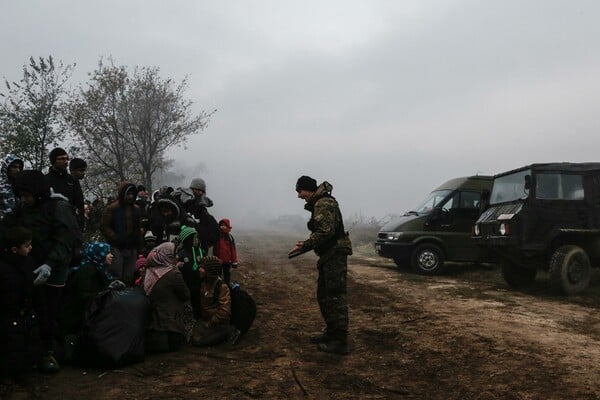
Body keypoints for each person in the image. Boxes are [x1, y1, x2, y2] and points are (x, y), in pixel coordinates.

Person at [4, 170, 80, 372]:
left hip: (53, 269)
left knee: (51, 310)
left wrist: (50, 264)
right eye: (21, 196)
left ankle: (51, 352)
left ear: (37, 192)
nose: (24, 199)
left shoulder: (58, 207)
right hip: (30, 267)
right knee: (35, 311)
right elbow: (7, 227)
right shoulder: (23, 208)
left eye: (27, 195)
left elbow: (66, 240)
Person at [288, 175, 352, 355]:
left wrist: (306, 244)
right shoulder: (319, 203)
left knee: (334, 296)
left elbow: (325, 232)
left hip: (335, 254)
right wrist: (306, 244)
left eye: (299, 191)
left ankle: (340, 341)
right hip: (329, 254)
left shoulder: (323, 203)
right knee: (324, 295)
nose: (299, 195)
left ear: (308, 189)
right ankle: (331, 333)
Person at [0, 226, 41, 382]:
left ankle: (26, 368)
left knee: (27, 342)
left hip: (26, 312)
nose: (31, 248)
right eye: (27, 245)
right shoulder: (4, 268)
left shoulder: (28, 261)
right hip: (10, 316)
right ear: (14, 249)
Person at [142, 242, 192, 353]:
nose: (177, 257)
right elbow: (185, 294)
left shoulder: (147, 272)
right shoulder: (173, 274)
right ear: (168, 257)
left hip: (150, 324)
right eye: (174, 255)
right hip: (170, 327)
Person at [99, 182, 143, 285]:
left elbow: (138, 228)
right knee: (116, 275)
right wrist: (115, 237)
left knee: (129, 276)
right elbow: (104, 226)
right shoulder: (112, 208)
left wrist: (140, 247)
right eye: (128, 194)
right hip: (116, 247)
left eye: (132, 194)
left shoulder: (136, 210)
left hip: (131, 247)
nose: (130, 196)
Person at [191, 256, 240, 347]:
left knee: (199, 342)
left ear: (209, 270)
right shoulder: (203, 283)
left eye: (202, 268)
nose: (199, 269)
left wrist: (210, 323)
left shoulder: (221, 287)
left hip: (217, 323)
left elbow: (224, 312)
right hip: (205, 319)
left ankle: (229, 331)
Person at [46, 148, 84, 229]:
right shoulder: (45, 180)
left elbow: (79, 203)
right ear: (54, 160)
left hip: (70, 224)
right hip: (50, 225)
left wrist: (80, 225)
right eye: (62, 159)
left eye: (67, 158)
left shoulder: (73, 181)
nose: (66, 161)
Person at [182, 178, 220, 254]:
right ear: (192, 189)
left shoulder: (201, 207)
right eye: (198, 190)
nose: (200, 193)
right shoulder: (184, 202)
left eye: (202, 191)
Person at [176, 225, 204, 318]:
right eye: (194, 239)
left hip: (199, 282)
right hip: (186, 282)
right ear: (188, 240)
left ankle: (198, 316)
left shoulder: (201, 251)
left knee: (198, 300)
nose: (197, 241)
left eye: (197, 239)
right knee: (187, 300)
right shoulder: (181, 254)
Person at [213, 218, 238, 285]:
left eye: (224, 225)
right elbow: (214, 248)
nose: (223, 227)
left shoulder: (230, 237)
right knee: (218, 276)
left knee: (227, 276)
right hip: (218, 261)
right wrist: (214, 259)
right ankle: (218, 289)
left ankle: (227, 288)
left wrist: (234, 261)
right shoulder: (217, 236)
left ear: (227, 226)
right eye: (221, 225)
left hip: (227, 261)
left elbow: (233, 250)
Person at [0, 154, 24, 221]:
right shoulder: (1, 184)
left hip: (17, 225)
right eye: (14, 167)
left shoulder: (20, 185)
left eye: (19, 167)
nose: (18, 170)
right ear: (6, 167)